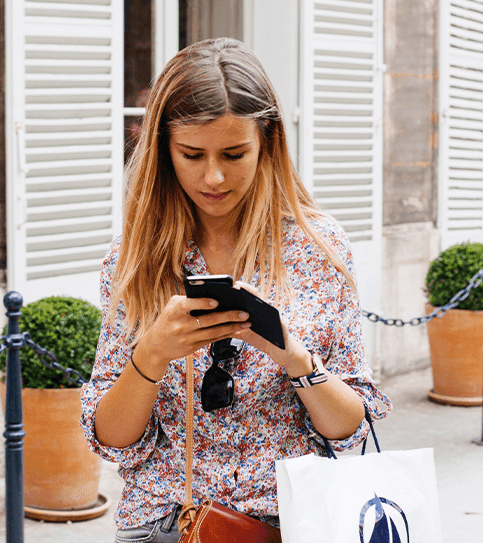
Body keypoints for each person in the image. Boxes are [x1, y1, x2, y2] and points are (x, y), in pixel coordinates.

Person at [80, 37, 392, 542]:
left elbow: (348, 427)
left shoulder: (317, 247)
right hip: (166, 525)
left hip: (293, 522)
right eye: (192, 154)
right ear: (163, 148)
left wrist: (293, 356)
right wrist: (152, 355)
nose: (214, 176)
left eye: (233, 152)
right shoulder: (134, 258)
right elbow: (112, 439)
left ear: (267, 140)